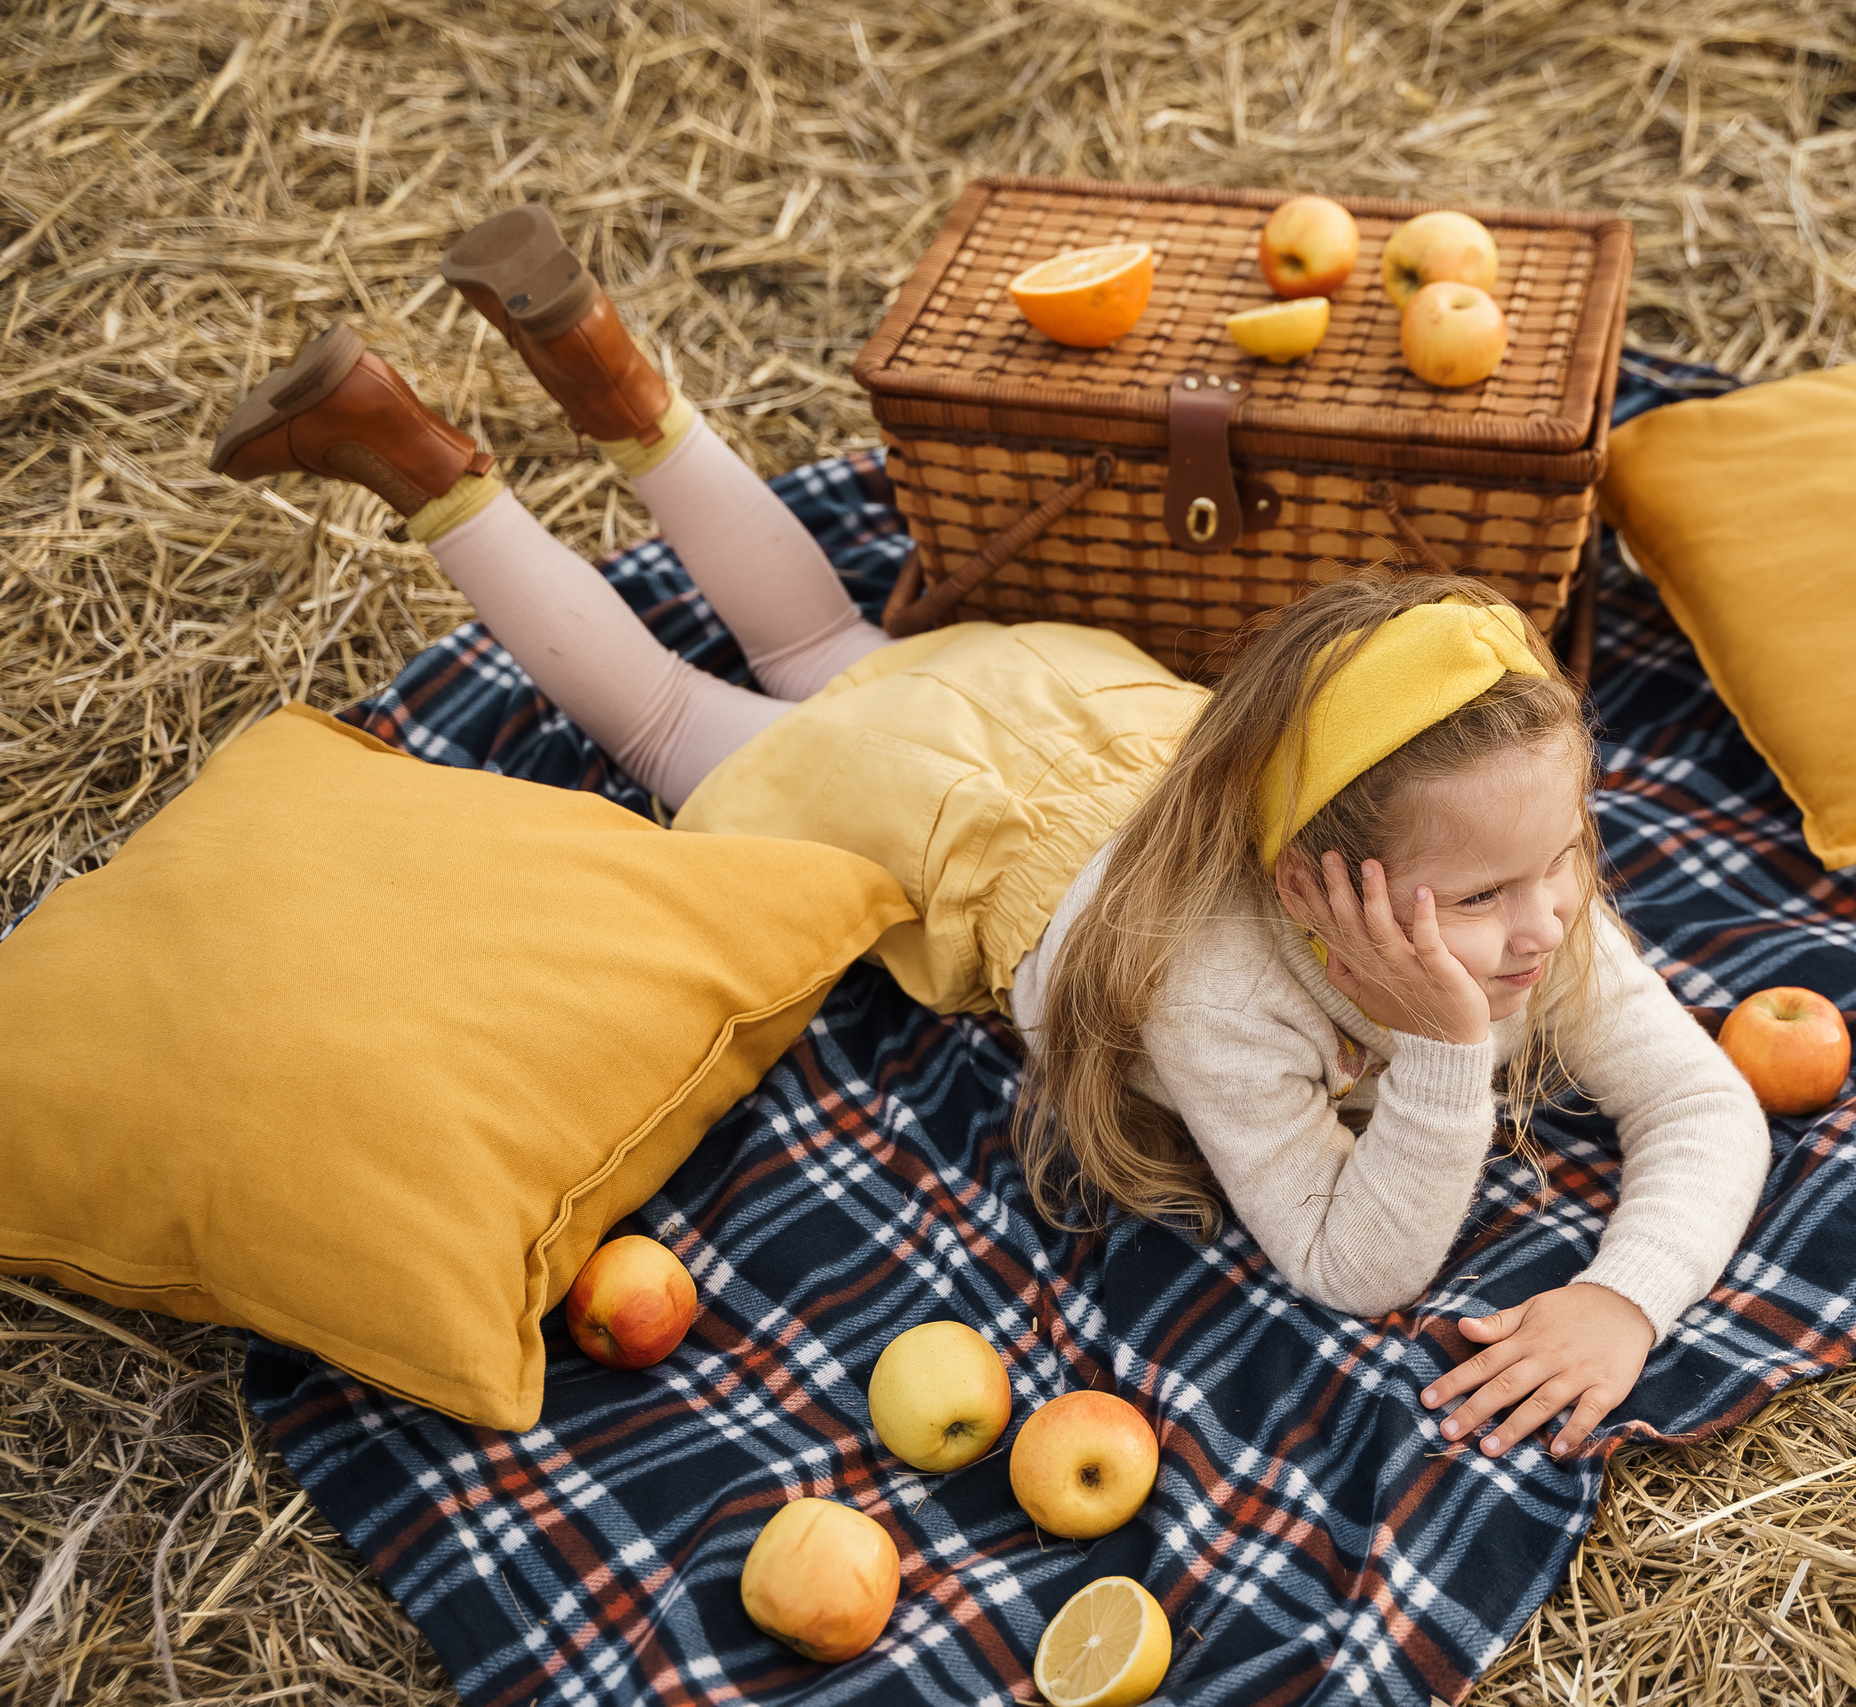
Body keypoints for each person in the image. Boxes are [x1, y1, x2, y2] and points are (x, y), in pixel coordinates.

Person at [210, 206, 1770, 1458]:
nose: (1551, 921)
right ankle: (410, 454)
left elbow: (1708, 1109)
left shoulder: (1510, 893)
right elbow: (1355, 1265)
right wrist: (1439, 1055)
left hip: (1064, 712)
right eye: (1490, 892)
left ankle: (598, 358)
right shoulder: (1222, 990)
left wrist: (1623, 1303)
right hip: (944, 815)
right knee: (683, 723)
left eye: (1568, 853)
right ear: (1313, 881)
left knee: (826, 644)